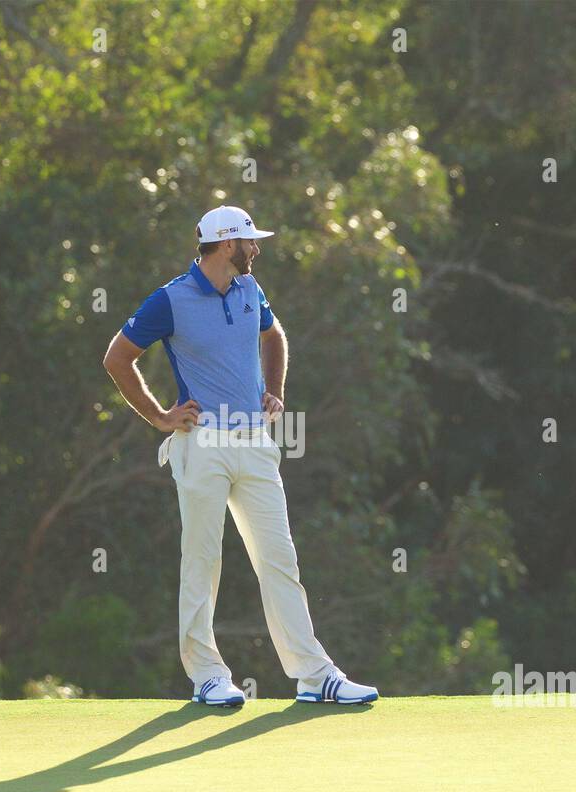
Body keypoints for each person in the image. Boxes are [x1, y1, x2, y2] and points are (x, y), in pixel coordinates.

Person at [102, 205, 380, 706]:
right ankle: (207, 676)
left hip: (254, 442)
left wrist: (275, 388)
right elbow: (118, 357)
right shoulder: (170, 299)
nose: (257, 248)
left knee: (279, 559)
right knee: (203, 561)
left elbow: (273, 336)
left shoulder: (250, 290)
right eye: (251, 241)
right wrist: (161, 417)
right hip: (202, 443)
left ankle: (314, 675)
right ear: (228, 245)